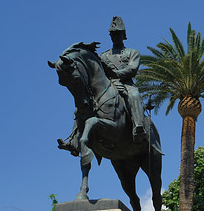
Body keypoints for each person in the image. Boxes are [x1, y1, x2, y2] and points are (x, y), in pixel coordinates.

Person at [57, 16, 146, 156]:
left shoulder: (132, 52)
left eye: (118, 34)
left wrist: (116, 73)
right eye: (112, 34)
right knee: (80, 107)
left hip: (125, 84)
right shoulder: (104, 55)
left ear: (124, 35)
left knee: (134, 96)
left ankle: (138, 127)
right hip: (108, 86)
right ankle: (74, 141)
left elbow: (133, 69)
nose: (115, 37)